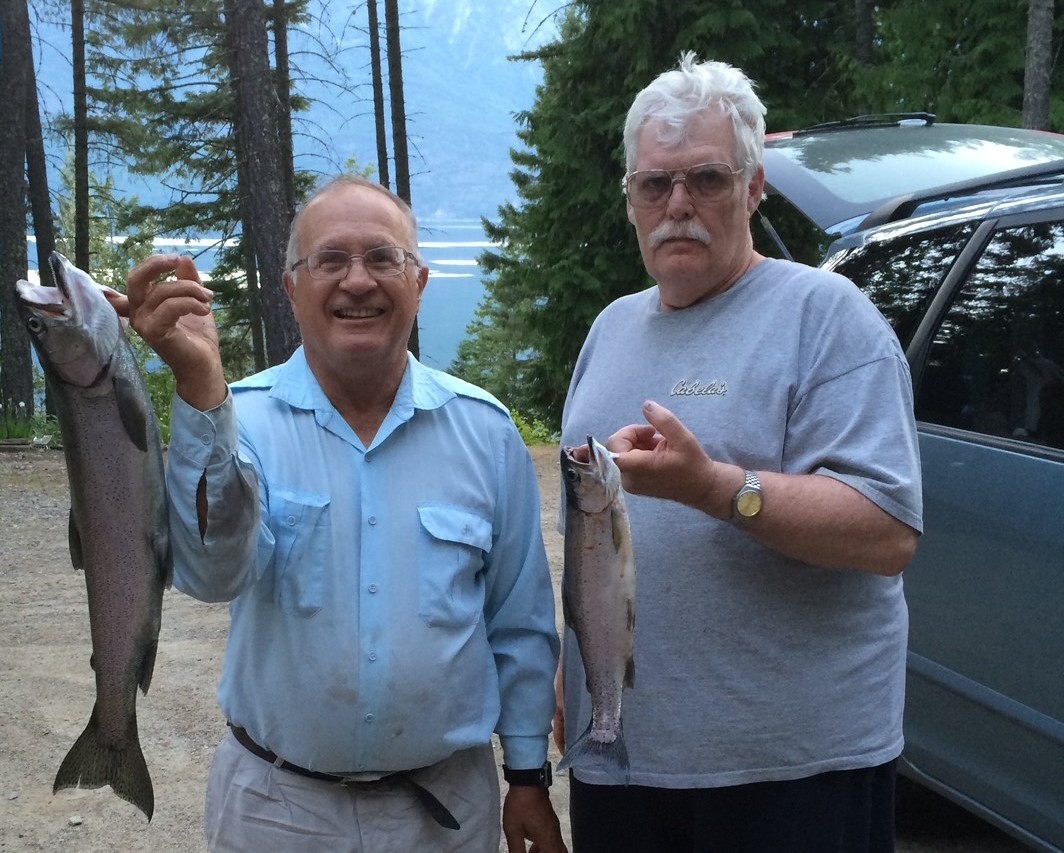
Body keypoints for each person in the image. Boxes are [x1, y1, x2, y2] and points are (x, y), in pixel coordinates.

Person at [117, 175, 567, 853]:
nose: (357, 281)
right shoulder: (242, 418)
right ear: (292, 287)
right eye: (330, 260)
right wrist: (201, 387)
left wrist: (528, 774)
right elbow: (210, 574)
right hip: (276, 811)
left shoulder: (486, 432)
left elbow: (520, 622)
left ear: (418, 283)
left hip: (445, 814)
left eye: (383, 258)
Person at [556, 53, 924, 852]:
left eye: (708, 180)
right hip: (625, 766)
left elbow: (887, 530)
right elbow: (589, 540)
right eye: (654, 184)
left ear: (754, 188)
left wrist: (718, 487)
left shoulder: (828, 318)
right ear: (630, 199)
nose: (677, 204)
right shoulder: (609, 329)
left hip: (793, 774)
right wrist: (574, 679)